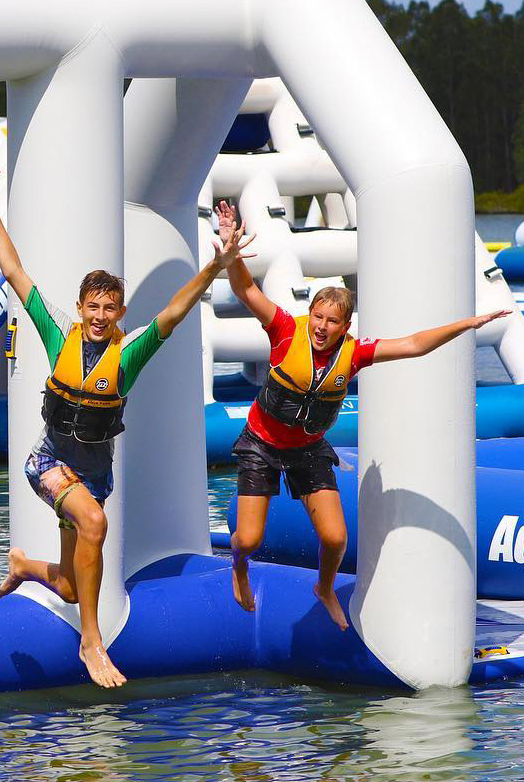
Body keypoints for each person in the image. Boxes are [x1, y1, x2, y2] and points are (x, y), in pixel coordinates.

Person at [0, 154, 255, 687]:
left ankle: (25, 567)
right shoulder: (55, 333)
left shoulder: (129, 352)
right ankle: (91, 644)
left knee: (70, 583)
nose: (98, 316)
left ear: (118, 313)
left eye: (109, 308)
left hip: (93, 476)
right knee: (95, 524)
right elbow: (15, 272)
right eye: (92, 306)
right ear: (80, 306)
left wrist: (215, 266)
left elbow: (176, 311)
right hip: (47, 463)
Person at [218, 200, 509, 629]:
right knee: (247, 538)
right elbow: (246, 291)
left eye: (331, 321)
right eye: (317, 316)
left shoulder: (354, 354)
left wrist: (465, 324)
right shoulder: (283, 330)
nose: (320, 326)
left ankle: (324, 587)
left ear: (345, 325)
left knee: (335, 537)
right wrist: (231, 252)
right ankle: (238, 567)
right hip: (262, 445)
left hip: (308, 449)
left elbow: (412, 344)